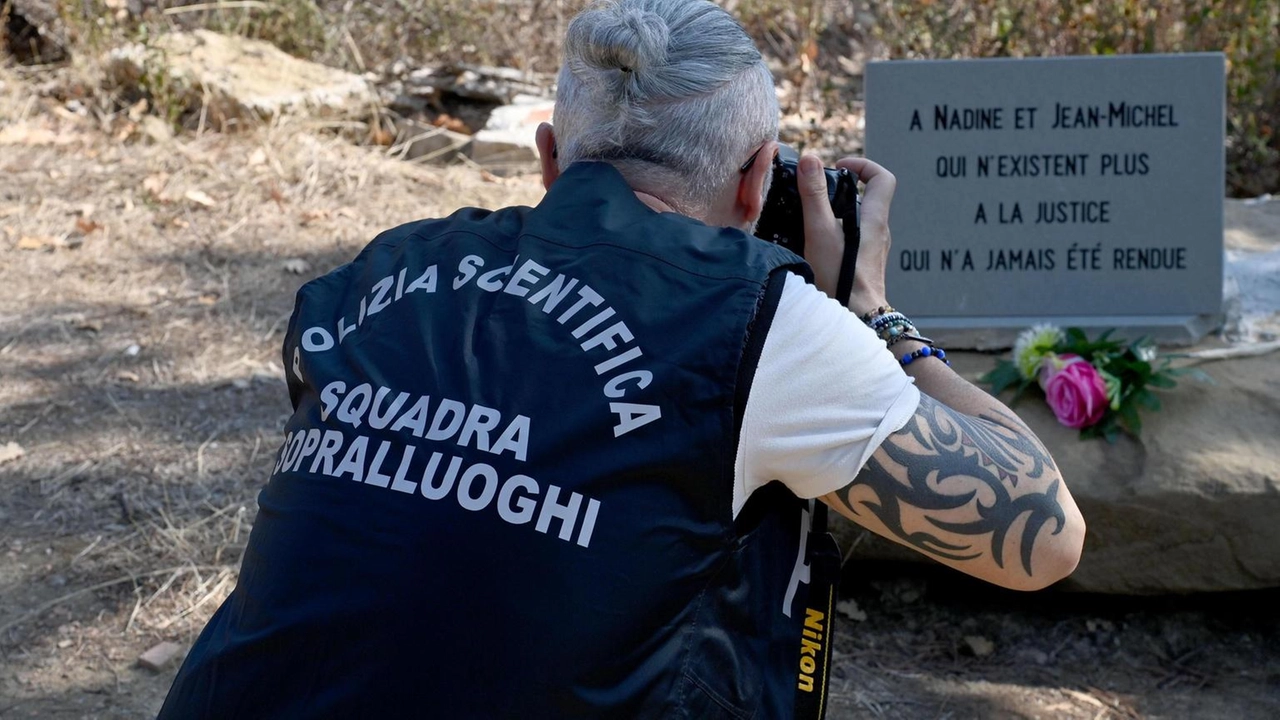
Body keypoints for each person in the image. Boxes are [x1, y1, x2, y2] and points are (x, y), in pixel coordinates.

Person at [157, 0, 1085, 717]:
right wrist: (877, 317)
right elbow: (1044, 538)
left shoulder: (377, 276)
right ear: (760, 177)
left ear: (551, 158)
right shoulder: (757, 318)